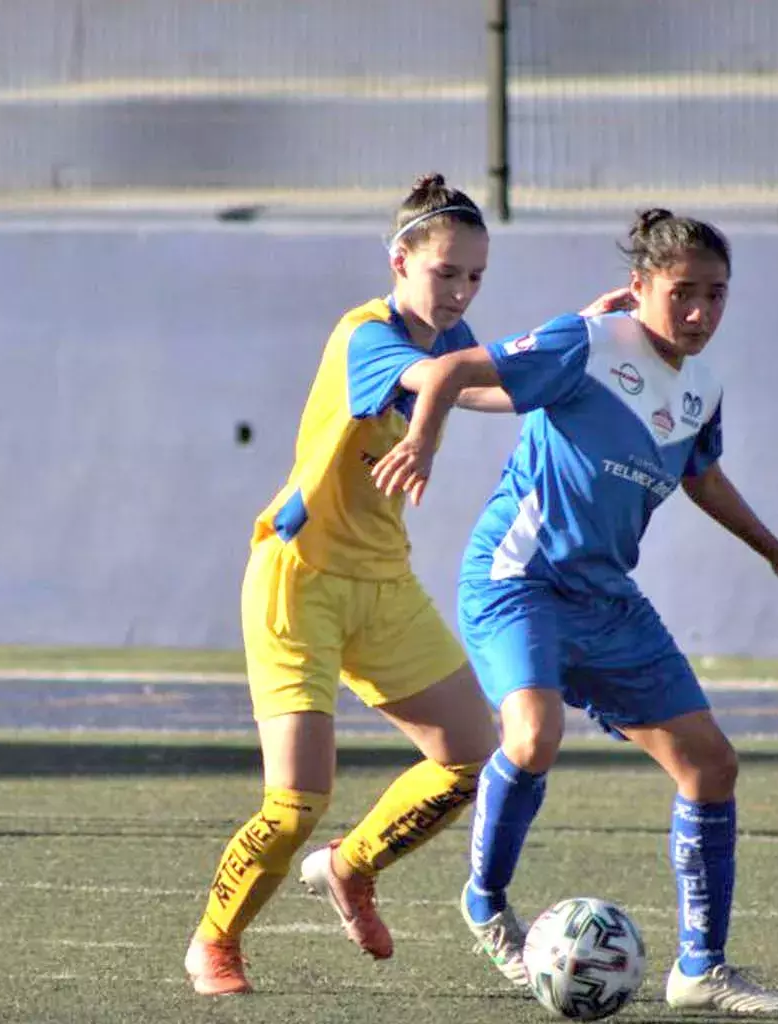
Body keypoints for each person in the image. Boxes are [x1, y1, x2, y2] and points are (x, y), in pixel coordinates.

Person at [369, 209, 778, 1015]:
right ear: (642, 286)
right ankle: (486, 902)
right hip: (519, 580)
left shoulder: (703, 387)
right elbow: (445, 374)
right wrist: (426, 444)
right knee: (534, 736)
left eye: (716, 295)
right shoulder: (586, 342)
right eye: (682, 292)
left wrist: (777, 554)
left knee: (711, 765)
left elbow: (702, 476)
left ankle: (700, 970)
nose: (700, 312)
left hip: (607, 598)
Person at [180, 174, 510, 997]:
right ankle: (214, 942)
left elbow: (497, 386)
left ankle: (351, 868)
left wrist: (594, 352)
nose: (461, 291)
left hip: (384, 584)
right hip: (300, 581)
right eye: (446, 274)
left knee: (474, 756)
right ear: (400, 261)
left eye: (475, 276)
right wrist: (433, 432)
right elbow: (441, 386)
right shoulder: (366, 334)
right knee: (295, 802)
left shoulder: (450, 332)